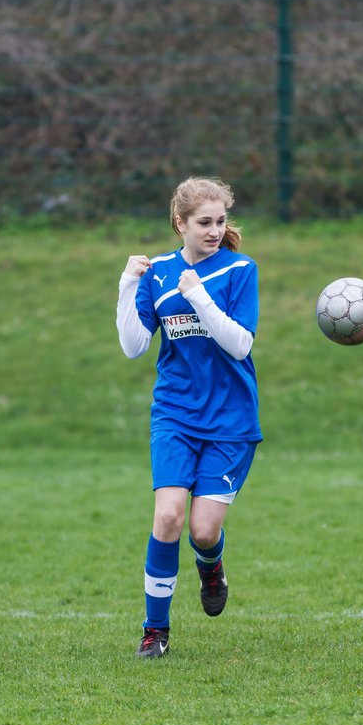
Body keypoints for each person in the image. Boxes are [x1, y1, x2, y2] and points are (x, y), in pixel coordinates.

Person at [116, 177, 261, 658]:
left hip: (230, 421)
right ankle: (155, 632)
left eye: (220, 221)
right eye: (204, 222)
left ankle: (211, 565)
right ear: (179, 224)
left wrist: (198, 296)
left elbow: (241, 344)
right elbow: (134, 347)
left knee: (202, 531)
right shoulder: (158, 272)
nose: (215, 230)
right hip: (175, 414)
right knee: (168, 517)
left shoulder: (240, 270)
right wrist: (126, 287)